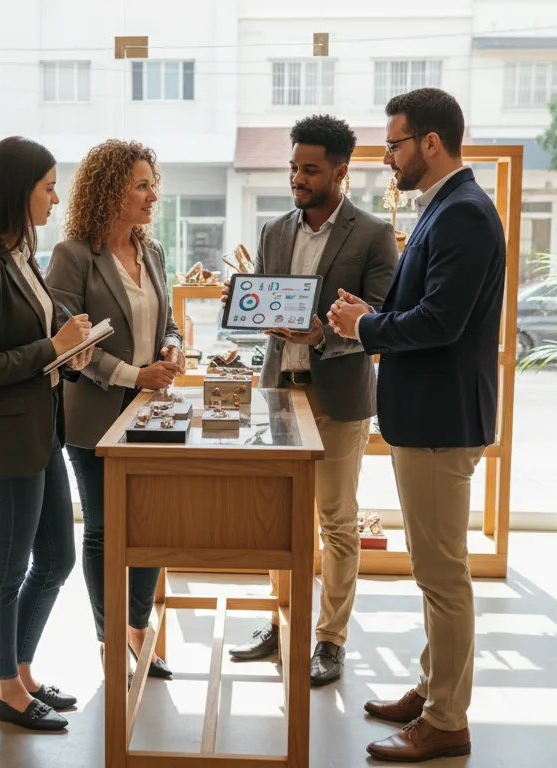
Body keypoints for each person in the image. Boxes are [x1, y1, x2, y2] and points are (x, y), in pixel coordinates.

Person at [327, 88, 504, 762]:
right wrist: (366, 314)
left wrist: (364, 325)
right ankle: (434, 691)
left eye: (395, 143)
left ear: (432, 143)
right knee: (436, 571)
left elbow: (440, 323)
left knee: (442, 574)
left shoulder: (463, 214)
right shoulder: (449, 208)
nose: (387, 155)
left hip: (439, 420)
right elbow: (423, 303)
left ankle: (447, 720)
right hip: (428, 415)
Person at [225, 114, 398, 686]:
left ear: (340, 172)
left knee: (337, 521)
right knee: (283, 521)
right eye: (294, 167)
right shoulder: (276, 230)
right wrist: (249, 306)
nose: (297, 177)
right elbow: (268, 303)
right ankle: (283, 623)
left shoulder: (372, 234)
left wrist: (323, 335)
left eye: (309, 169)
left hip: (339, 395)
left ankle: (330, 640)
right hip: (280, 393)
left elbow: (379, 319)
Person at [0, 136, 96, 732]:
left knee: (56, 556)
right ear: (18, 189)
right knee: (7, 567)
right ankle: (6, 691)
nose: (56, 199)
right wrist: (51, 350)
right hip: (5, 442)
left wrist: (69, 352)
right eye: (49, 186)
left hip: (39, 431)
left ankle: (22, 672)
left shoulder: (20, 255)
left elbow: (35, 345)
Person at [44, 140, 186, 678]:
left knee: (150, 523)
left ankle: (137, 630)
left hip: (152, 409)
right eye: (142, 185)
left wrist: (171, 347)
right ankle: (110, 641)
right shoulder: (74, 255)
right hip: (95, 413)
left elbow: (167, 321)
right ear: (109, 191)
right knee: (105, 529)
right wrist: (132, 374)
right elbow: (69, 343)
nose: (154, 195)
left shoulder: (153, 251)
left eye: (154, 184)